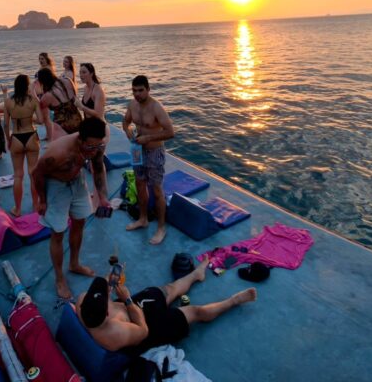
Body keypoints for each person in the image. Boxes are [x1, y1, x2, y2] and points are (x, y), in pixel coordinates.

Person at [75, 259, 256, 353]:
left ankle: (196, 274)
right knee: (195, 311)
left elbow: (103, 287)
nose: (107, 290)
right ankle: (233, 300)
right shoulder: (115, 334)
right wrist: (128, 300)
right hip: (145, 327)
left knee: (168, 290)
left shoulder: (84, 301)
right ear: (107, 313)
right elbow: (143, 331)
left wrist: (112, 277)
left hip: (129, 308)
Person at [32, 116, 110, 299]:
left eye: (97, 146)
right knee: (58, 232)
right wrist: (42, 200)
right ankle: (59, 279)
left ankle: (74, 263)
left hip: (78, 181)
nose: (93, 151)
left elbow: (98, 167)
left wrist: (103, 196)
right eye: (89, 147)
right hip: (56, 186)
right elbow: (37, 174)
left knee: (80, 222)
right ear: (80, 140)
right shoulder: (58, 153)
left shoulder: (97, 145)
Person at [122, 75, 175, 245]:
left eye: (140, 90)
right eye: (134, 90)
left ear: (148, 89)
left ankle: (161, 227)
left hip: (154, 152)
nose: (137, 94)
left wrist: (149, 138)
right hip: (138, 151)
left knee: (157, 190)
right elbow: (125, 122)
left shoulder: (156, 107)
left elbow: (170, 132)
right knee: (139, 184)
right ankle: (143, 219)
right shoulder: (132, 104)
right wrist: (128, 131)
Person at [1, 74, 40, 216]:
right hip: (31, 135)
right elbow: (41, 120)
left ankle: (17, 209)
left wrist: (8, 139)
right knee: (33, 174)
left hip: (16, 137)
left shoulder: (8, 102)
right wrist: (30, 117)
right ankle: (36, 205)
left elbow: (5, 124)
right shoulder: (33, 101)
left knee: (18, 175)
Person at [36, 66, 80, 142]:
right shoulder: (68, 80)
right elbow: (75, 95)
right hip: (77, 120)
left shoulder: (47, 96)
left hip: (62, 127)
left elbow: (42, 117)